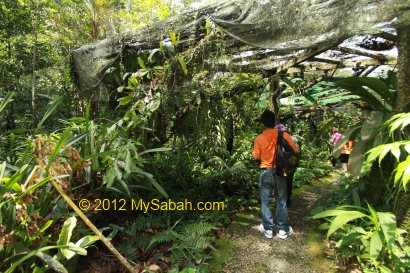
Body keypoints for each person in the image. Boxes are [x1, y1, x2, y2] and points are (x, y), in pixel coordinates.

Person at [253, 110, 300, 239]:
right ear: (274, 122)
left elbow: (256, 156)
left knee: (265, 201)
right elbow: (295, 150)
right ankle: (283, 230)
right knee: (282, 201)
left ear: (263, 123)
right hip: (280, 172)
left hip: (266, 171)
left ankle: (268, 229)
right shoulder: (283, 135)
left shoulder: (259, 138)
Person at [274, 119, 300, 207]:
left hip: (278, 164)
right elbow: (297, 151)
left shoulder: (273, 139)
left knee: (279, 182)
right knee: (289, 181)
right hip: (290, 164)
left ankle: (280, 201)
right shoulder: (292, 138)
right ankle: (288, 199)